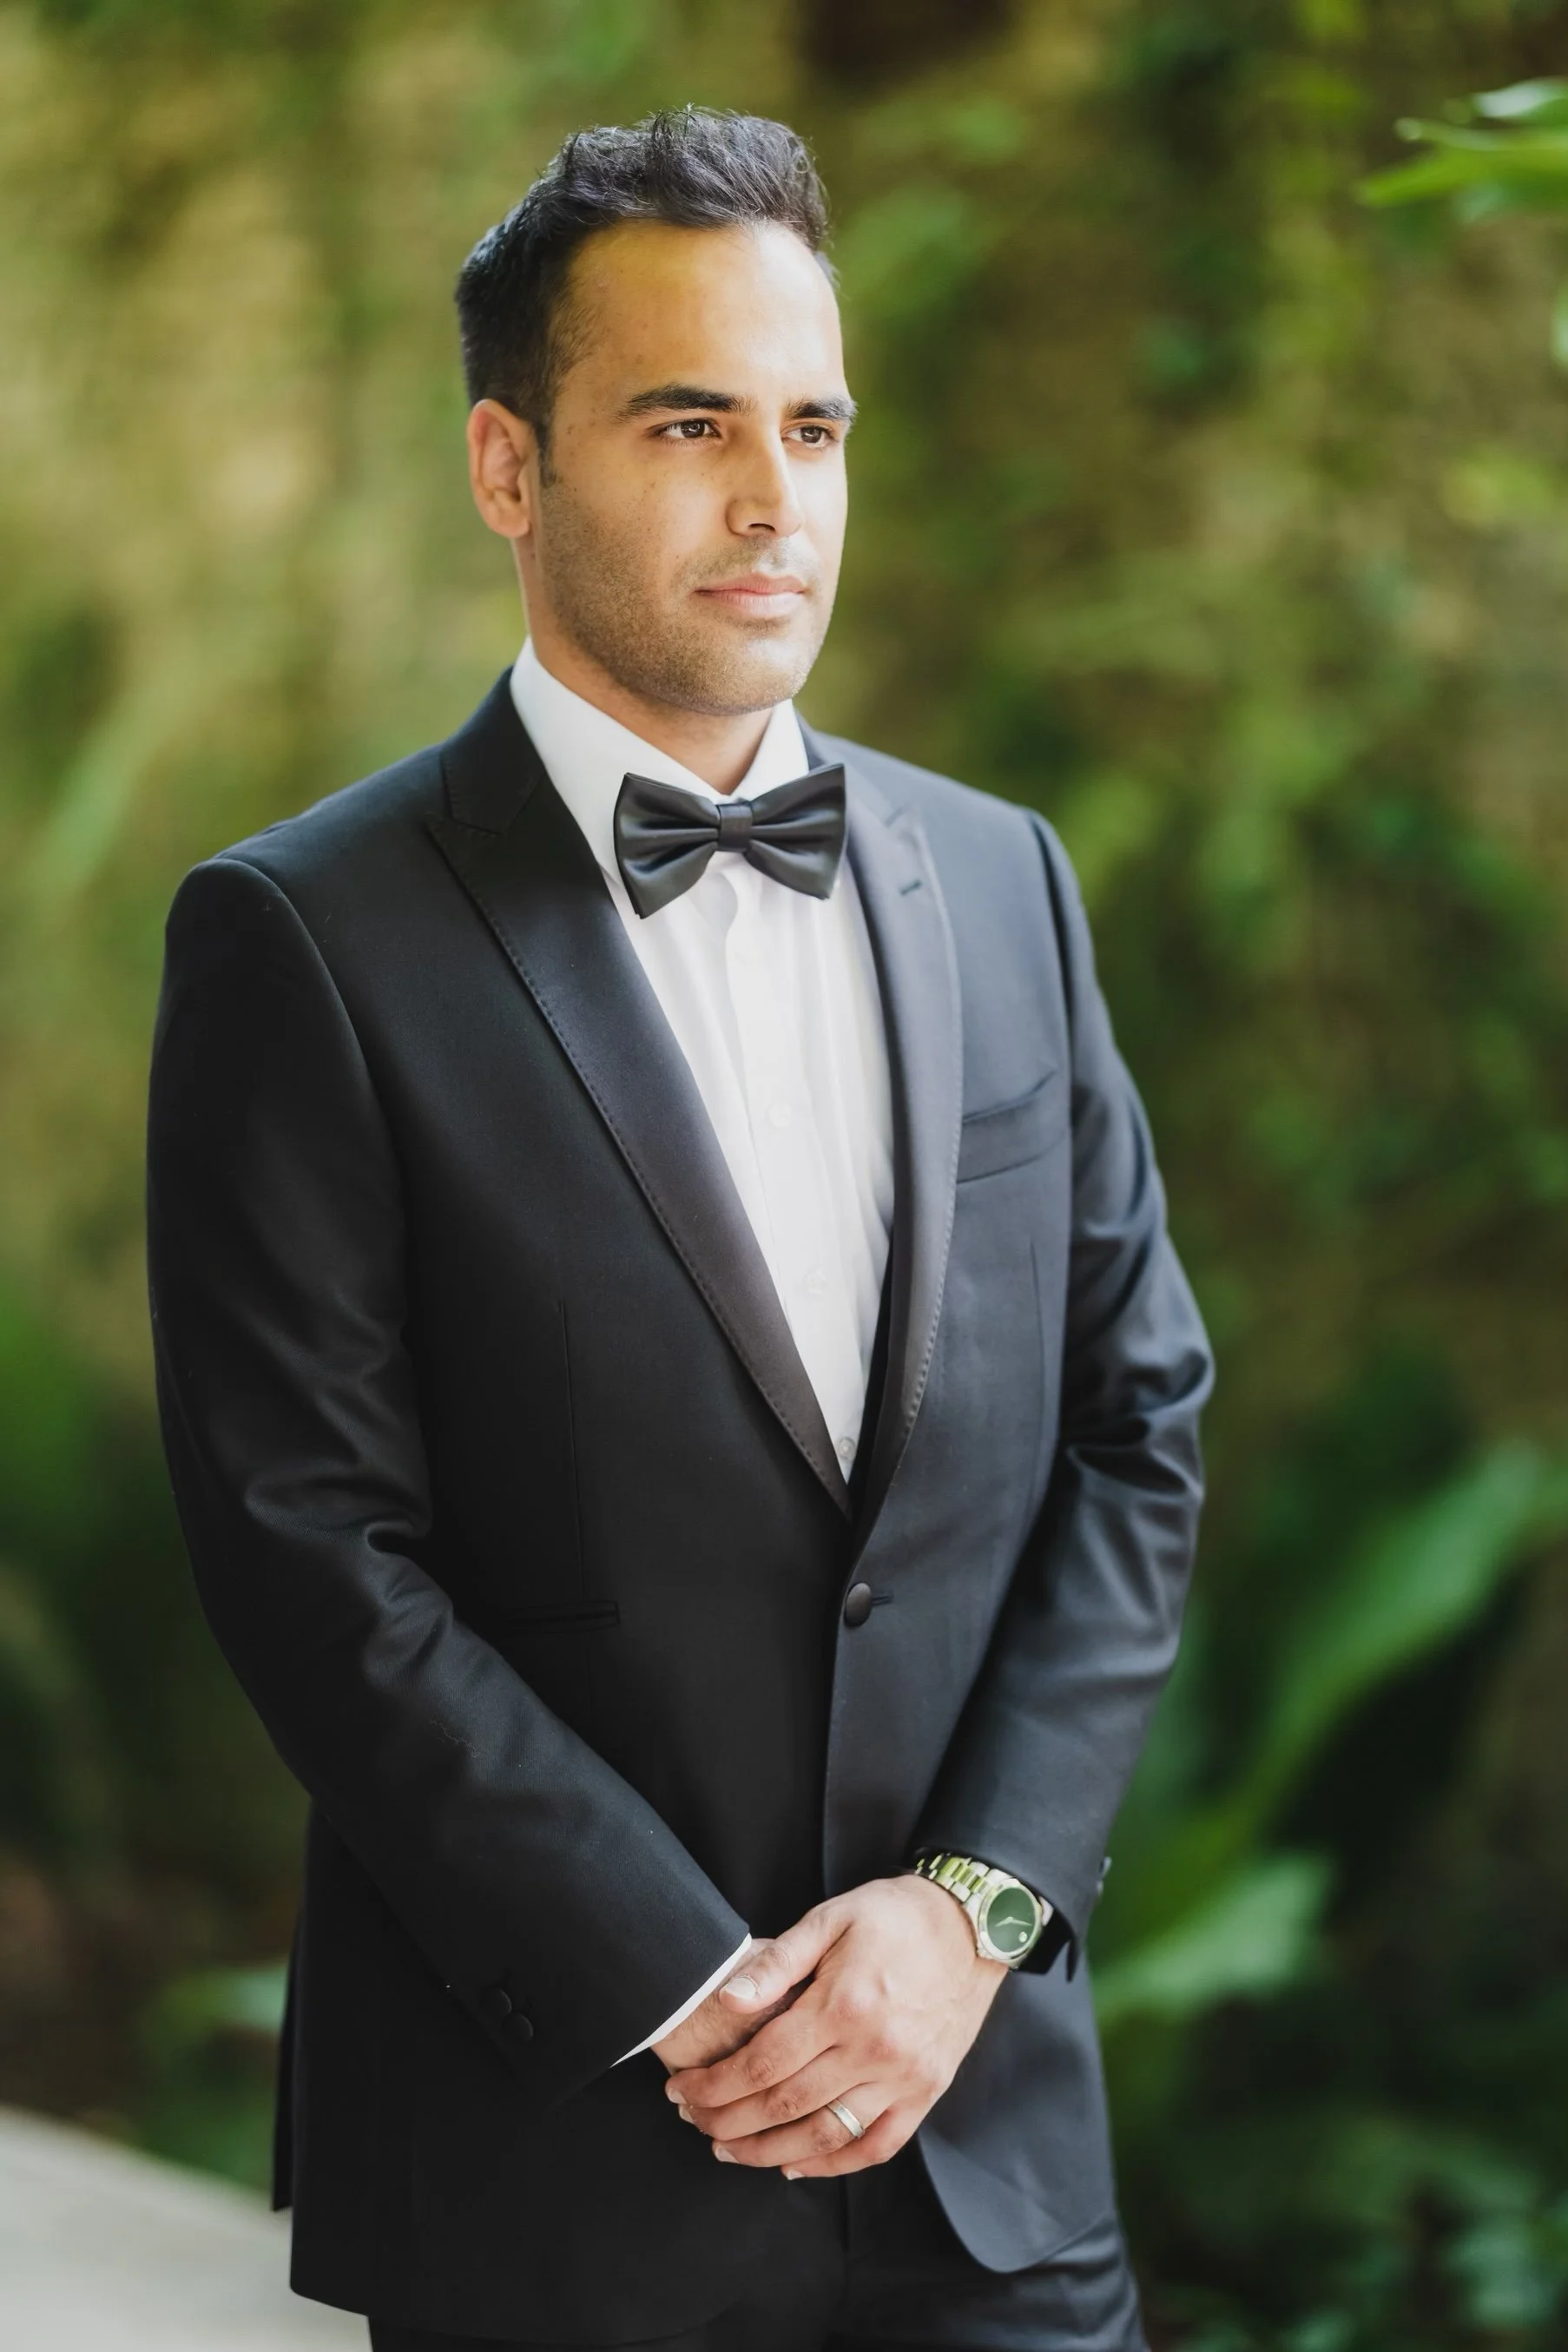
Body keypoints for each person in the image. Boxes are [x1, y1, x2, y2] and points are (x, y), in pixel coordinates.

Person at [145, 107, 1213, 2352]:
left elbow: (1138, 1421)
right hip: (560, 2167)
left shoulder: (1000, 877)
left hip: (986, 2151)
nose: (773, 498)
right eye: (685, 421)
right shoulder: (300, 939)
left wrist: (964, 1913)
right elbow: (307, 1543)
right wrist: (690, 1985)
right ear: (505, 466)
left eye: (812, 423)